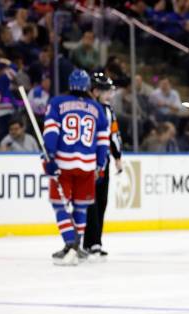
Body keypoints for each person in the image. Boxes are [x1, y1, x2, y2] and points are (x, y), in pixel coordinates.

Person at [41, 69, 110, 266]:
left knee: (59, 204)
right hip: (87, 166)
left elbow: (51, 132)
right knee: (81, 206)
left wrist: (50, 156)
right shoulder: (96, 108)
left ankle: (70, 243)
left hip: (63, 163)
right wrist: (99, 164)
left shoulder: (57, 103)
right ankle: (76, 246)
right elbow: (102, 141)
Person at [84, 72, 123, 259]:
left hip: (102, 161)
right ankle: (89, 241)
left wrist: (117, 156)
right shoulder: (87, 108)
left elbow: (113, 134)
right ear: (95, 91)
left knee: (101, 201)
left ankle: (95, 241)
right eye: (106, 90)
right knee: (89, 201)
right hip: (87, 162)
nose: (110, 94)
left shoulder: (107, 110)